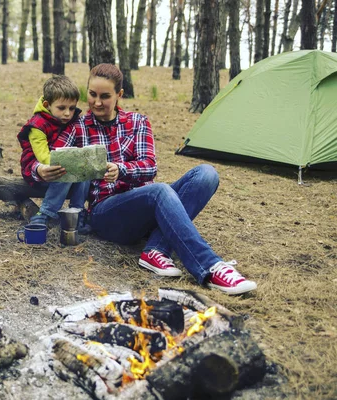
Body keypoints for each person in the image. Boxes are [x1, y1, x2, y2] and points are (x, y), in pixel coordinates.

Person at [38, 63, 256, 295]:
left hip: (146, 206)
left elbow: (149, 166)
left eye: (105, 96)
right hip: (106, 214)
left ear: (119, 95)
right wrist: (40, 169)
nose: (97, 102)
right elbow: (54, 159)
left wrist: (121, 169)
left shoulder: (138, 122)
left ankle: (155, 250)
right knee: (159, 191)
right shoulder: (77, 127)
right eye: (92, 95)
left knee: (206, 174)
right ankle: (210, 266)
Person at [18, 75, 91, 233]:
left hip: (60, 165)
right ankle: (45, 213)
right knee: (65, 170)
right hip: (37, 168)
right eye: (62, 108)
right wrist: (69, 163)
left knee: (84, 171)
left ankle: (77, 212)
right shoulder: (37, 125)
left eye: (72, 108)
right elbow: (43, 157)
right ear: (47, 104)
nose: (67, 113)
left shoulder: (71, 121)